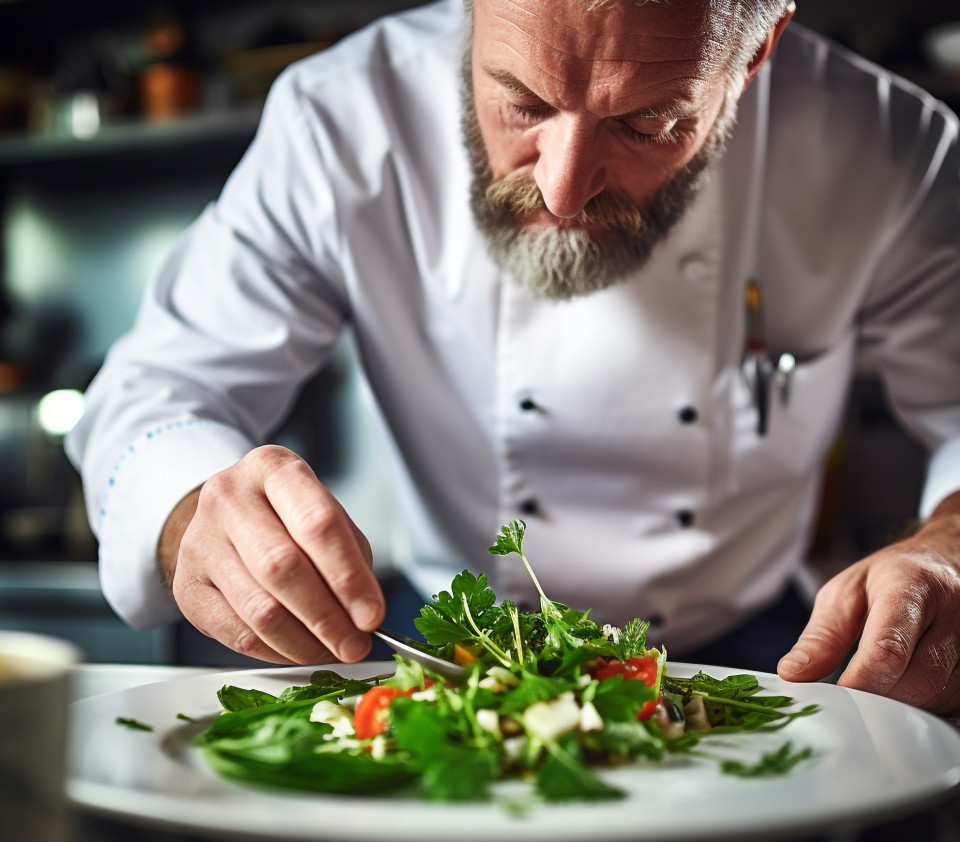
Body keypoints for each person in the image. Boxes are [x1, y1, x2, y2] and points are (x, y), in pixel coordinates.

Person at [66, 0, 960, 716]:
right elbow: (157, 390)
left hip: (753, 655)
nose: (564, 190)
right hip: (440, 641)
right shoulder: (341, 119)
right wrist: (193, 505)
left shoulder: (886, 148)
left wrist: (949, 553)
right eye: (523, 102)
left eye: (646, 121)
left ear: (755, 54)